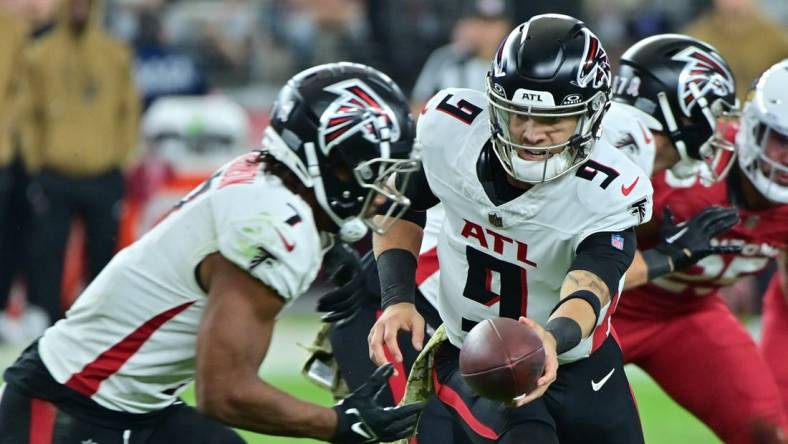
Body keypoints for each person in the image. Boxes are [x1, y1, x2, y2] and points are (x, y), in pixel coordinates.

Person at [0, 62, 424, 444]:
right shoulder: (272, 226)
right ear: (329, 160)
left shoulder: (264, 174)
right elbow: (224, 392)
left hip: (133, 402)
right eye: (373, 172)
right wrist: (339, 422)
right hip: (67, 403)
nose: (381, 191)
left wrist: (327, 249)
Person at [367, 14, 652, 443]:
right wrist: (397, 298)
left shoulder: (610, 188)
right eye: (518, 115)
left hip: (580, 359)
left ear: (591, 116)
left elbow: (592, 284)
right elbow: (401, 207)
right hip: (481, 360)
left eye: (553, 119)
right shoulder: (451, 132)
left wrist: (551, 338)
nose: (531, 134)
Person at [612, 53, 788, 443]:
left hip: (690, 316)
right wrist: (664, 257)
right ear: (755, 126)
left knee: (765, 431)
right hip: (606, 313)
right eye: (782, 140)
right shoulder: (685, 166)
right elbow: (590, 259)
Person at [20, 0, 140, 325]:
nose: (79, 9)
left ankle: (96, 319)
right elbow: (28, 113)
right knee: (47, 250)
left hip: (102, 172)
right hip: (54, 171)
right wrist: (36, 159)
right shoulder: (39, 55)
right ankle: (46, 318)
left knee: (104, 250)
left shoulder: (115, 54)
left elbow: (128, 109)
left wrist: (121, 155)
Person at [410, 0, 511, 115]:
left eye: (492, 24)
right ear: (466, 25)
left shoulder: (514, 64)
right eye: (478, 22)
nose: (485, 31)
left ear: (506, 26)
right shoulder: (446, 59)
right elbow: (418, 107)